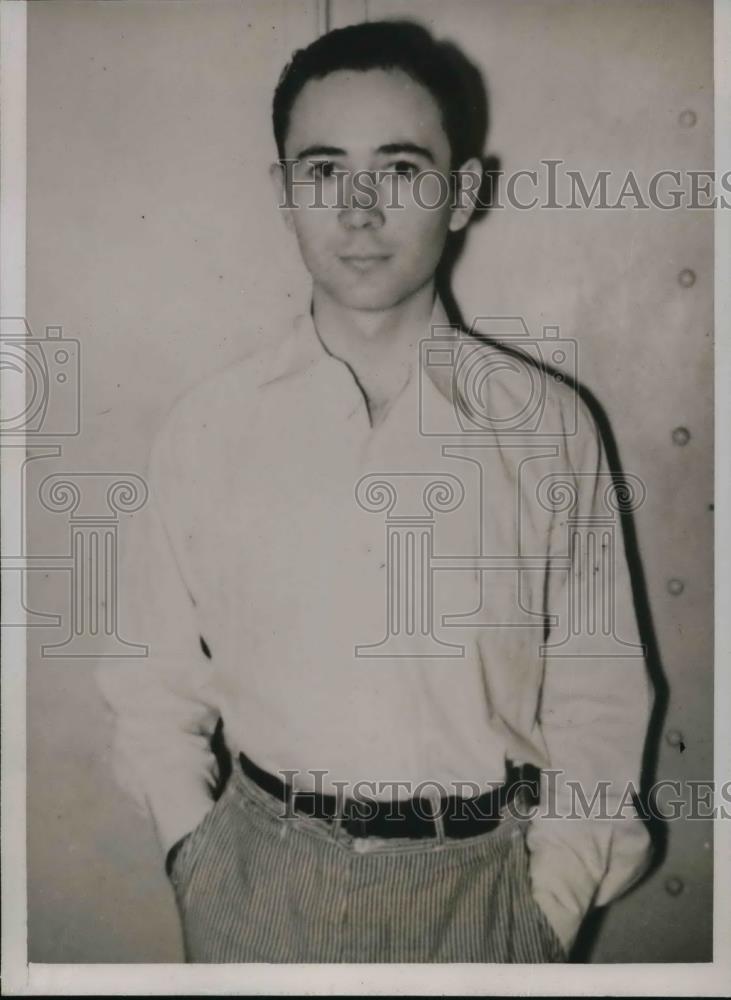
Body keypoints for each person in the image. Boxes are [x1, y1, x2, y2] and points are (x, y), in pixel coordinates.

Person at [96, 19, 653, 963]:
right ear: (284, 191)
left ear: (463, 193)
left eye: (398, 170)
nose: (357, 210)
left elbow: (597, 697)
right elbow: (151, 686)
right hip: (258, 891)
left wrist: (545, 908)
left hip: (488, 896)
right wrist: (200, 860)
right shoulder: (207, 428)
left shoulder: (548, 427)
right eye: (322, 171)